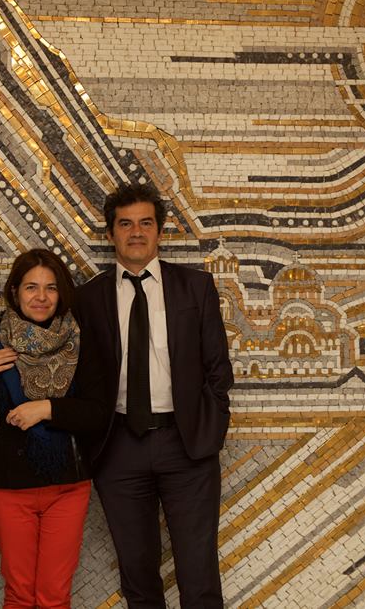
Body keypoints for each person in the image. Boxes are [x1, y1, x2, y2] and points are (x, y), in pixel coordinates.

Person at [74, 183, 234, 608]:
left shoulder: (195, 287)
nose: (136, 232)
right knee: (138, 574)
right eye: (125, 224)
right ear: (111, 234)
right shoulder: (88, 298)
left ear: (160, 232)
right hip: (119, 447)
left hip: (186, 446)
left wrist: (210, 430)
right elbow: (82, 377)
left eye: (146, 223)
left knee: (198, 572)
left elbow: (218, 370)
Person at [0, 248, 106, 609]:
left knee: (54, 596)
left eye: (51, 288)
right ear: (15, 291)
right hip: (10, 488)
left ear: (61, 294)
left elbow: (98, 414)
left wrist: (47, 409)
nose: (41, 297)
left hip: (68, 485)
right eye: (31, 287)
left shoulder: (80, 343)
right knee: (19, 593)